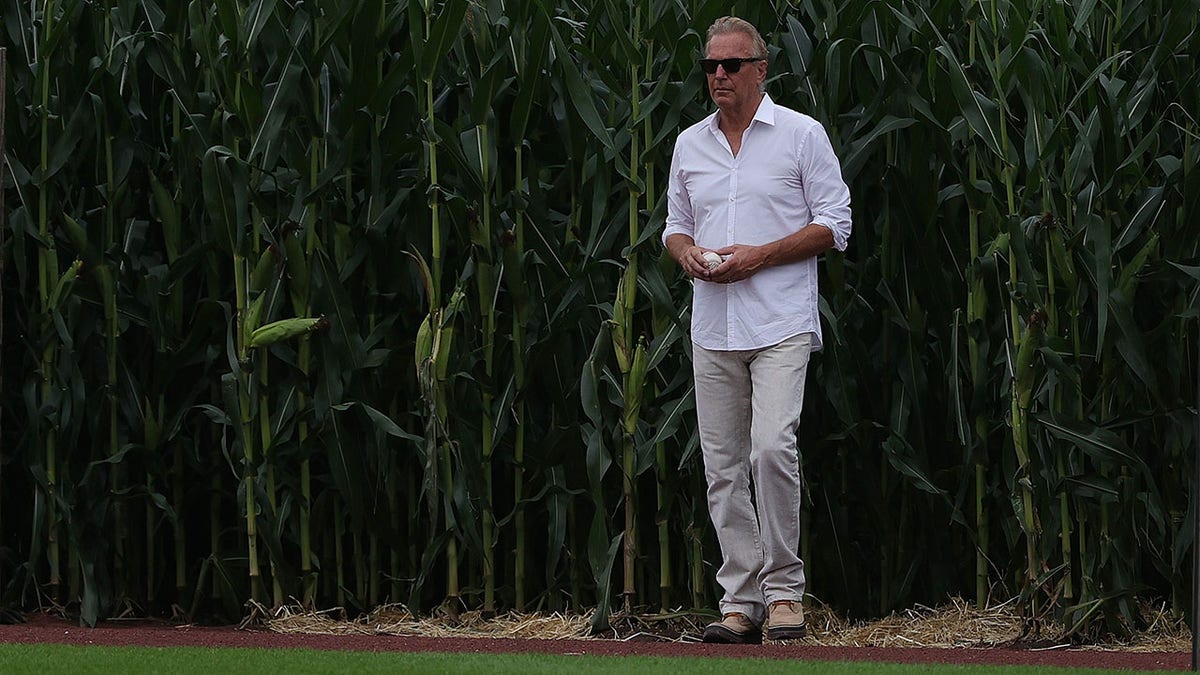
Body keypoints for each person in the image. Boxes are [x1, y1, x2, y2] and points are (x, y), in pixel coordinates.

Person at [661, 16, 852, 644]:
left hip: (780, 320)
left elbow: (835, 224)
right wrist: (684, 252)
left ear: (760, 69)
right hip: (712, 325)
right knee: (722, 466)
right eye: (710, 65)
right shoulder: (690, 144)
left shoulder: (801, 135)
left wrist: (760, 255)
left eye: (731, 65)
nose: (718, 75)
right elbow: (675, 225)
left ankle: (785, 594)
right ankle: (739, 602)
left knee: (772, 447)